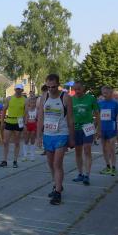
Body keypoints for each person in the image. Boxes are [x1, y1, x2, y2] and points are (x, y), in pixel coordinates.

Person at [37, 74, 74, 205]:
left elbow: (70, 119)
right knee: (50, 163)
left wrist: (72, 137)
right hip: (48, 135)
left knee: (57, 163)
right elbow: (40, 118)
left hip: (61, 134)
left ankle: (58, 193)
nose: (51, 89)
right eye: (48, 87)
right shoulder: (44, 97)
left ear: (58, 85)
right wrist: (38, 136)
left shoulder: (66, 97)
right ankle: (57, 185)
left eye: (53, 87)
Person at [71, 81, 100, 186]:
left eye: (79, 89)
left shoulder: (91, 98)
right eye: (75, 89)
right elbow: (68, 115)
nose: (77, 91)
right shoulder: (71, 99)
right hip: (76, 128)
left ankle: (87, 175)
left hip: (88, 127)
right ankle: (80, 174)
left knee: (87, 149)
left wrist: (98, 129)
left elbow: (97, 114)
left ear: (83, 88)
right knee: (78, 151)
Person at [0, 84, 26, 168]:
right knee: (5, 141)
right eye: (17, 89)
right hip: (9, 121)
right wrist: (2, 122)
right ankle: (4, 160)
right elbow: (4, 110)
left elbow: (26, 112)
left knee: (17, 142)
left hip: (18, 122)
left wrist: (25, 123)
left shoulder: (25, 100)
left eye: (19, 89)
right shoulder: (9, 98)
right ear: (14, 90)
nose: (18, 90)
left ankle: (15, 161)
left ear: (22, 90)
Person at [98, 86, 118, 176]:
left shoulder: (115, 103)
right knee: (104, 148)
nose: (104, 95)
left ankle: (113, 167)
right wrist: (97, 129)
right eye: (103, 93)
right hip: (102, 128)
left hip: (112, 128)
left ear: (111, 93)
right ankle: (107, 166)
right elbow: (97, 116)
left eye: (106, 93)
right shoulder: (99, 103)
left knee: (112, 148)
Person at [23, 96, 39, 161]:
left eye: (34, 102)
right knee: (26, 140)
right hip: (28, 125)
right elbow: (24, 118)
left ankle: (32, 156)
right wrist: (25, 125)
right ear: (29, 103)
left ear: (35, 103)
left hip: (34, 125)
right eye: (31, 102)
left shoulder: (37, 110)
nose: (33, 104)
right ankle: (25, 156)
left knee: (32, 140)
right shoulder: (27, 110)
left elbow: (38, 119)